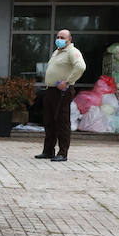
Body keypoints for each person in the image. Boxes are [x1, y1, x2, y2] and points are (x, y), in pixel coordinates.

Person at [35, 29, 86, 162]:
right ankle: (48, 151)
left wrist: (68, 81)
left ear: (69, 39)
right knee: (49, 121)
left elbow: (80, 67)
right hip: (51, 90)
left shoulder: (72, 52)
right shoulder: (57, 52)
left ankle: (63, 152)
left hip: (62, 91)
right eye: (58, 37)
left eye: (62, 37)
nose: (59, 39)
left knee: (62, 121)